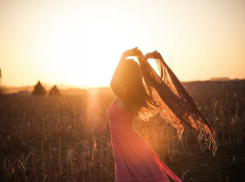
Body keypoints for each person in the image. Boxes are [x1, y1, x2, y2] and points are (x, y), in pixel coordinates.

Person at [107, 48, 182, 182]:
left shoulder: (125, 95)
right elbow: (134, 75)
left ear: (125, 74)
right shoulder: (130, 93)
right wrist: (144, 60)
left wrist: (124, 55)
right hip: (129, 147)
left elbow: (113, 83)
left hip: (131, 149)